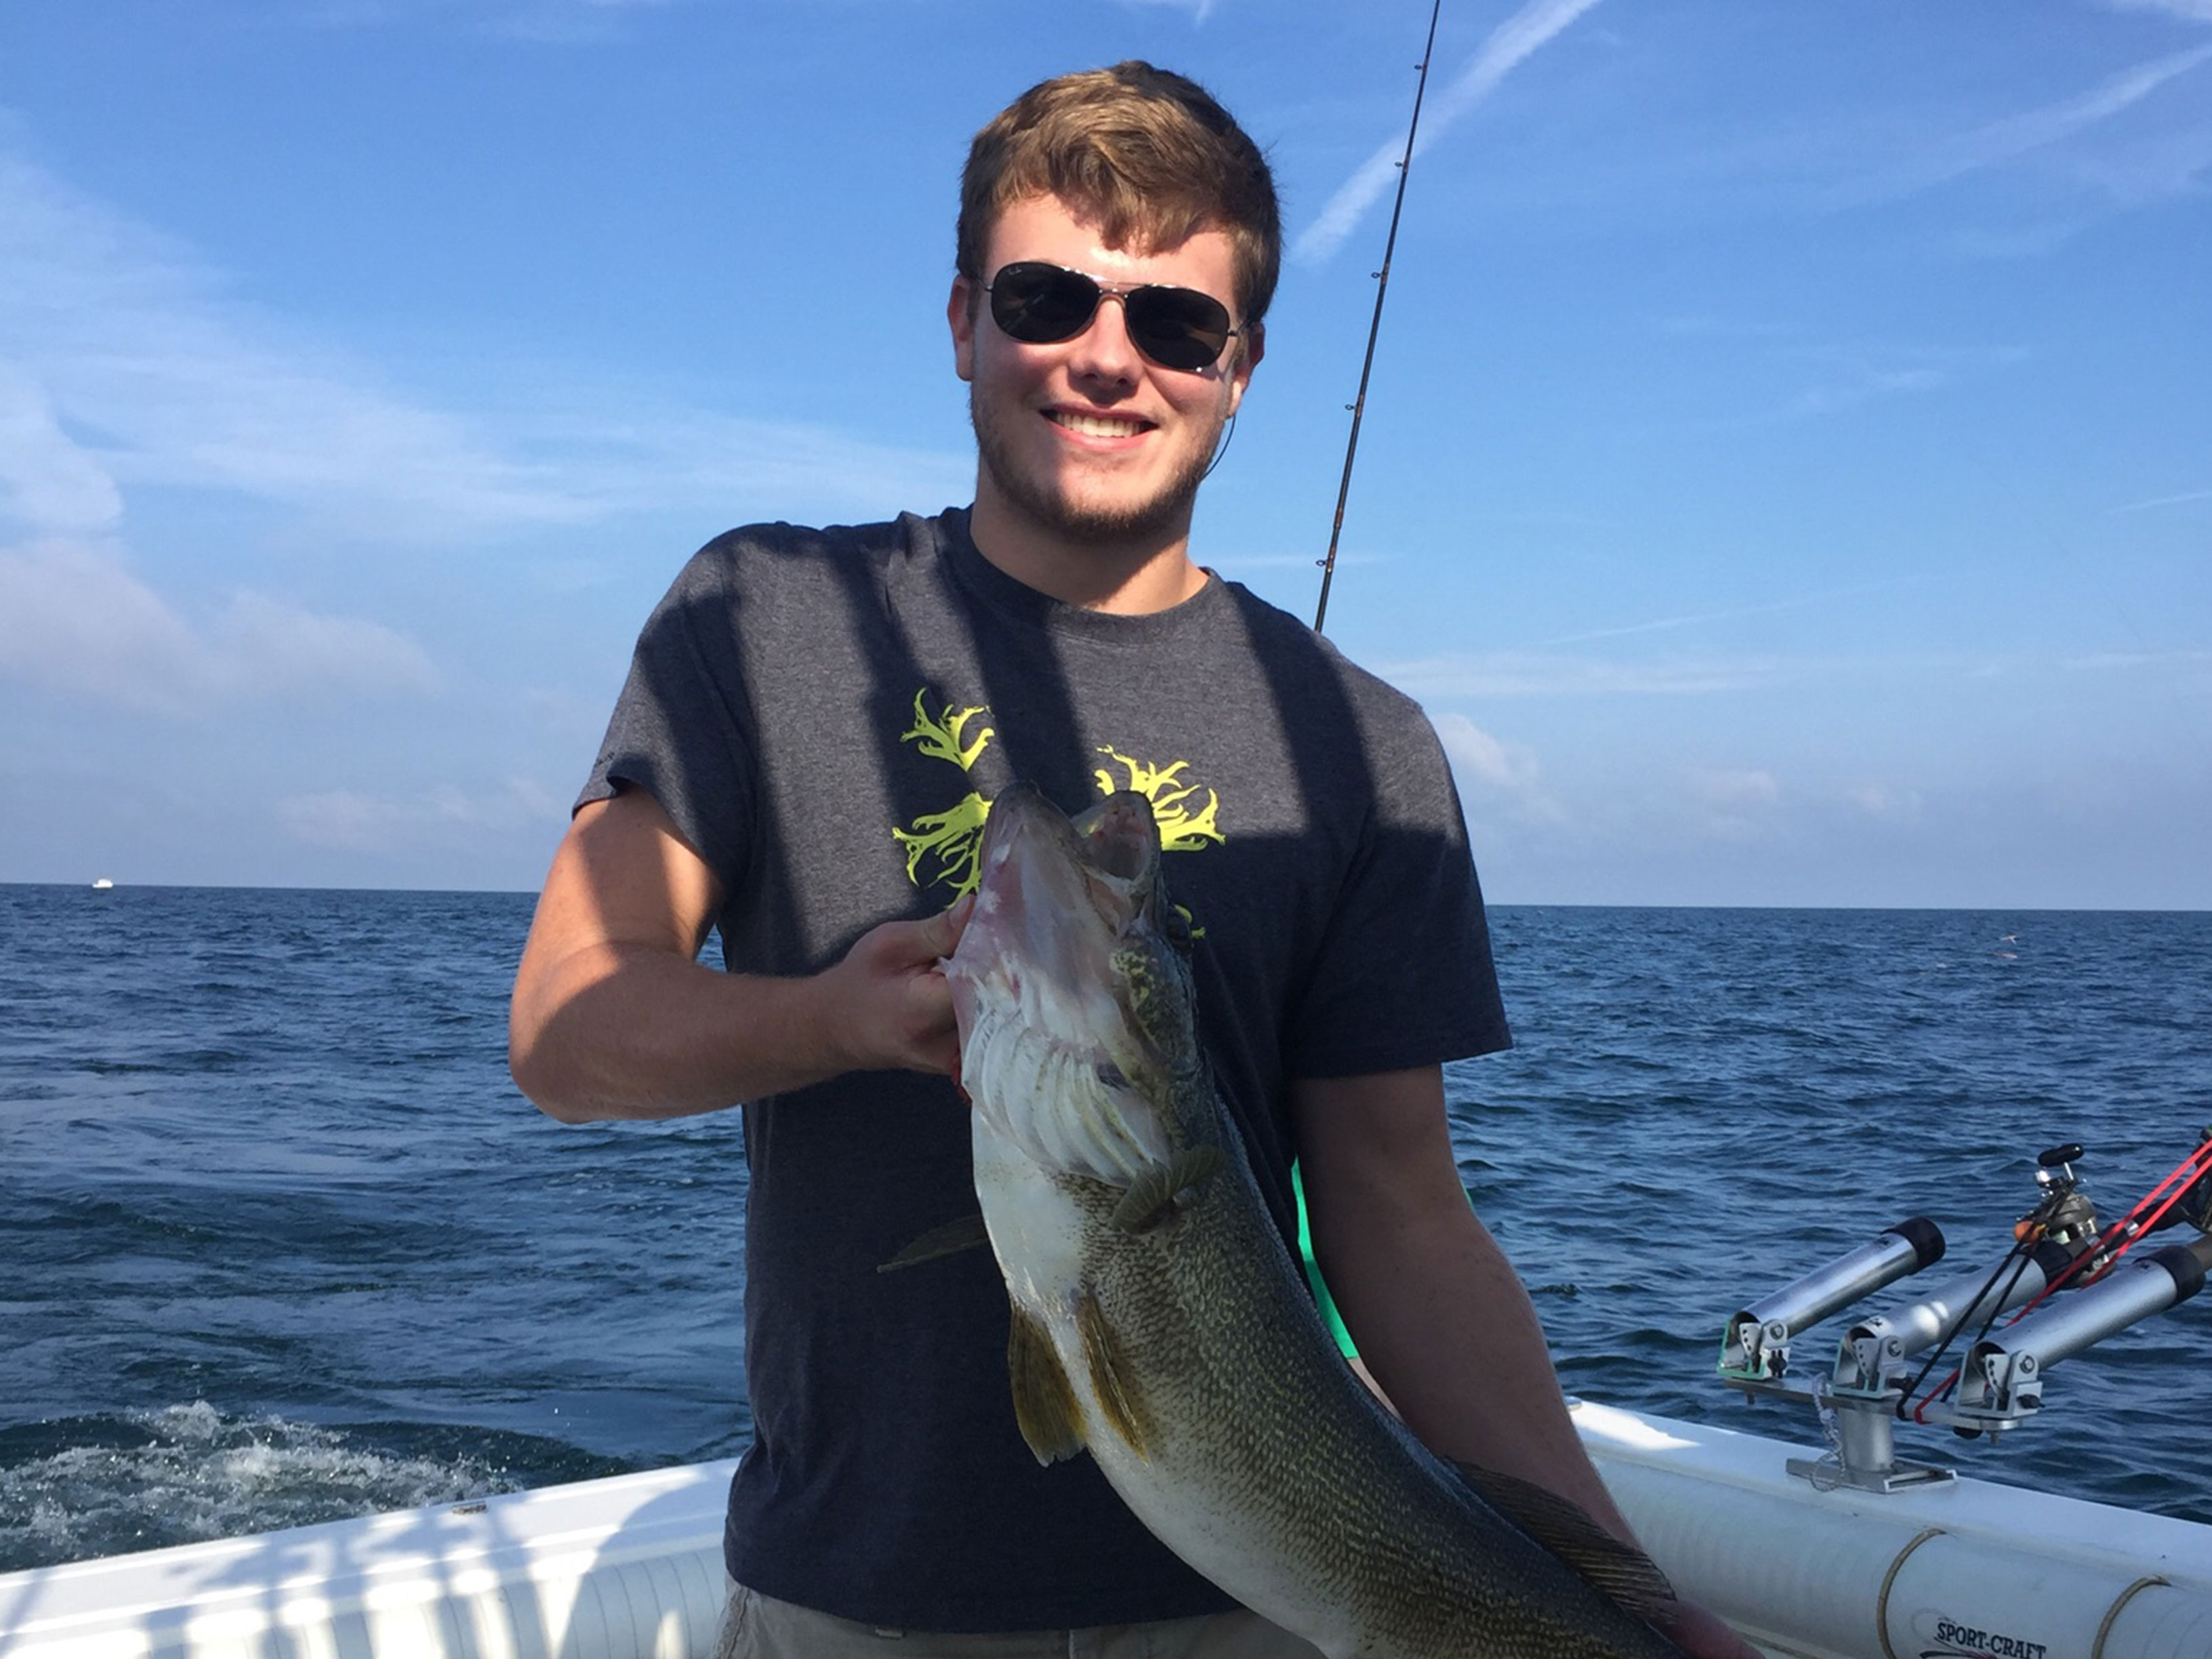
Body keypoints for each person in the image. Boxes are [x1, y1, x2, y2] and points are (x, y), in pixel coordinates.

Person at [509, 60, 1753, 1659]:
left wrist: (1634, 1609)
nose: (1109, 358)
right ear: (962, 323)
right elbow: (566, 1028)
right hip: (853, 1600)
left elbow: (1404, 1217)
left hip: (1262, 1610)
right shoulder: (760, 616)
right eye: (1048, 299)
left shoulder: (1365, 747)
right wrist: (833, 1019)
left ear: (1240, 372)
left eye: (1176, 323)